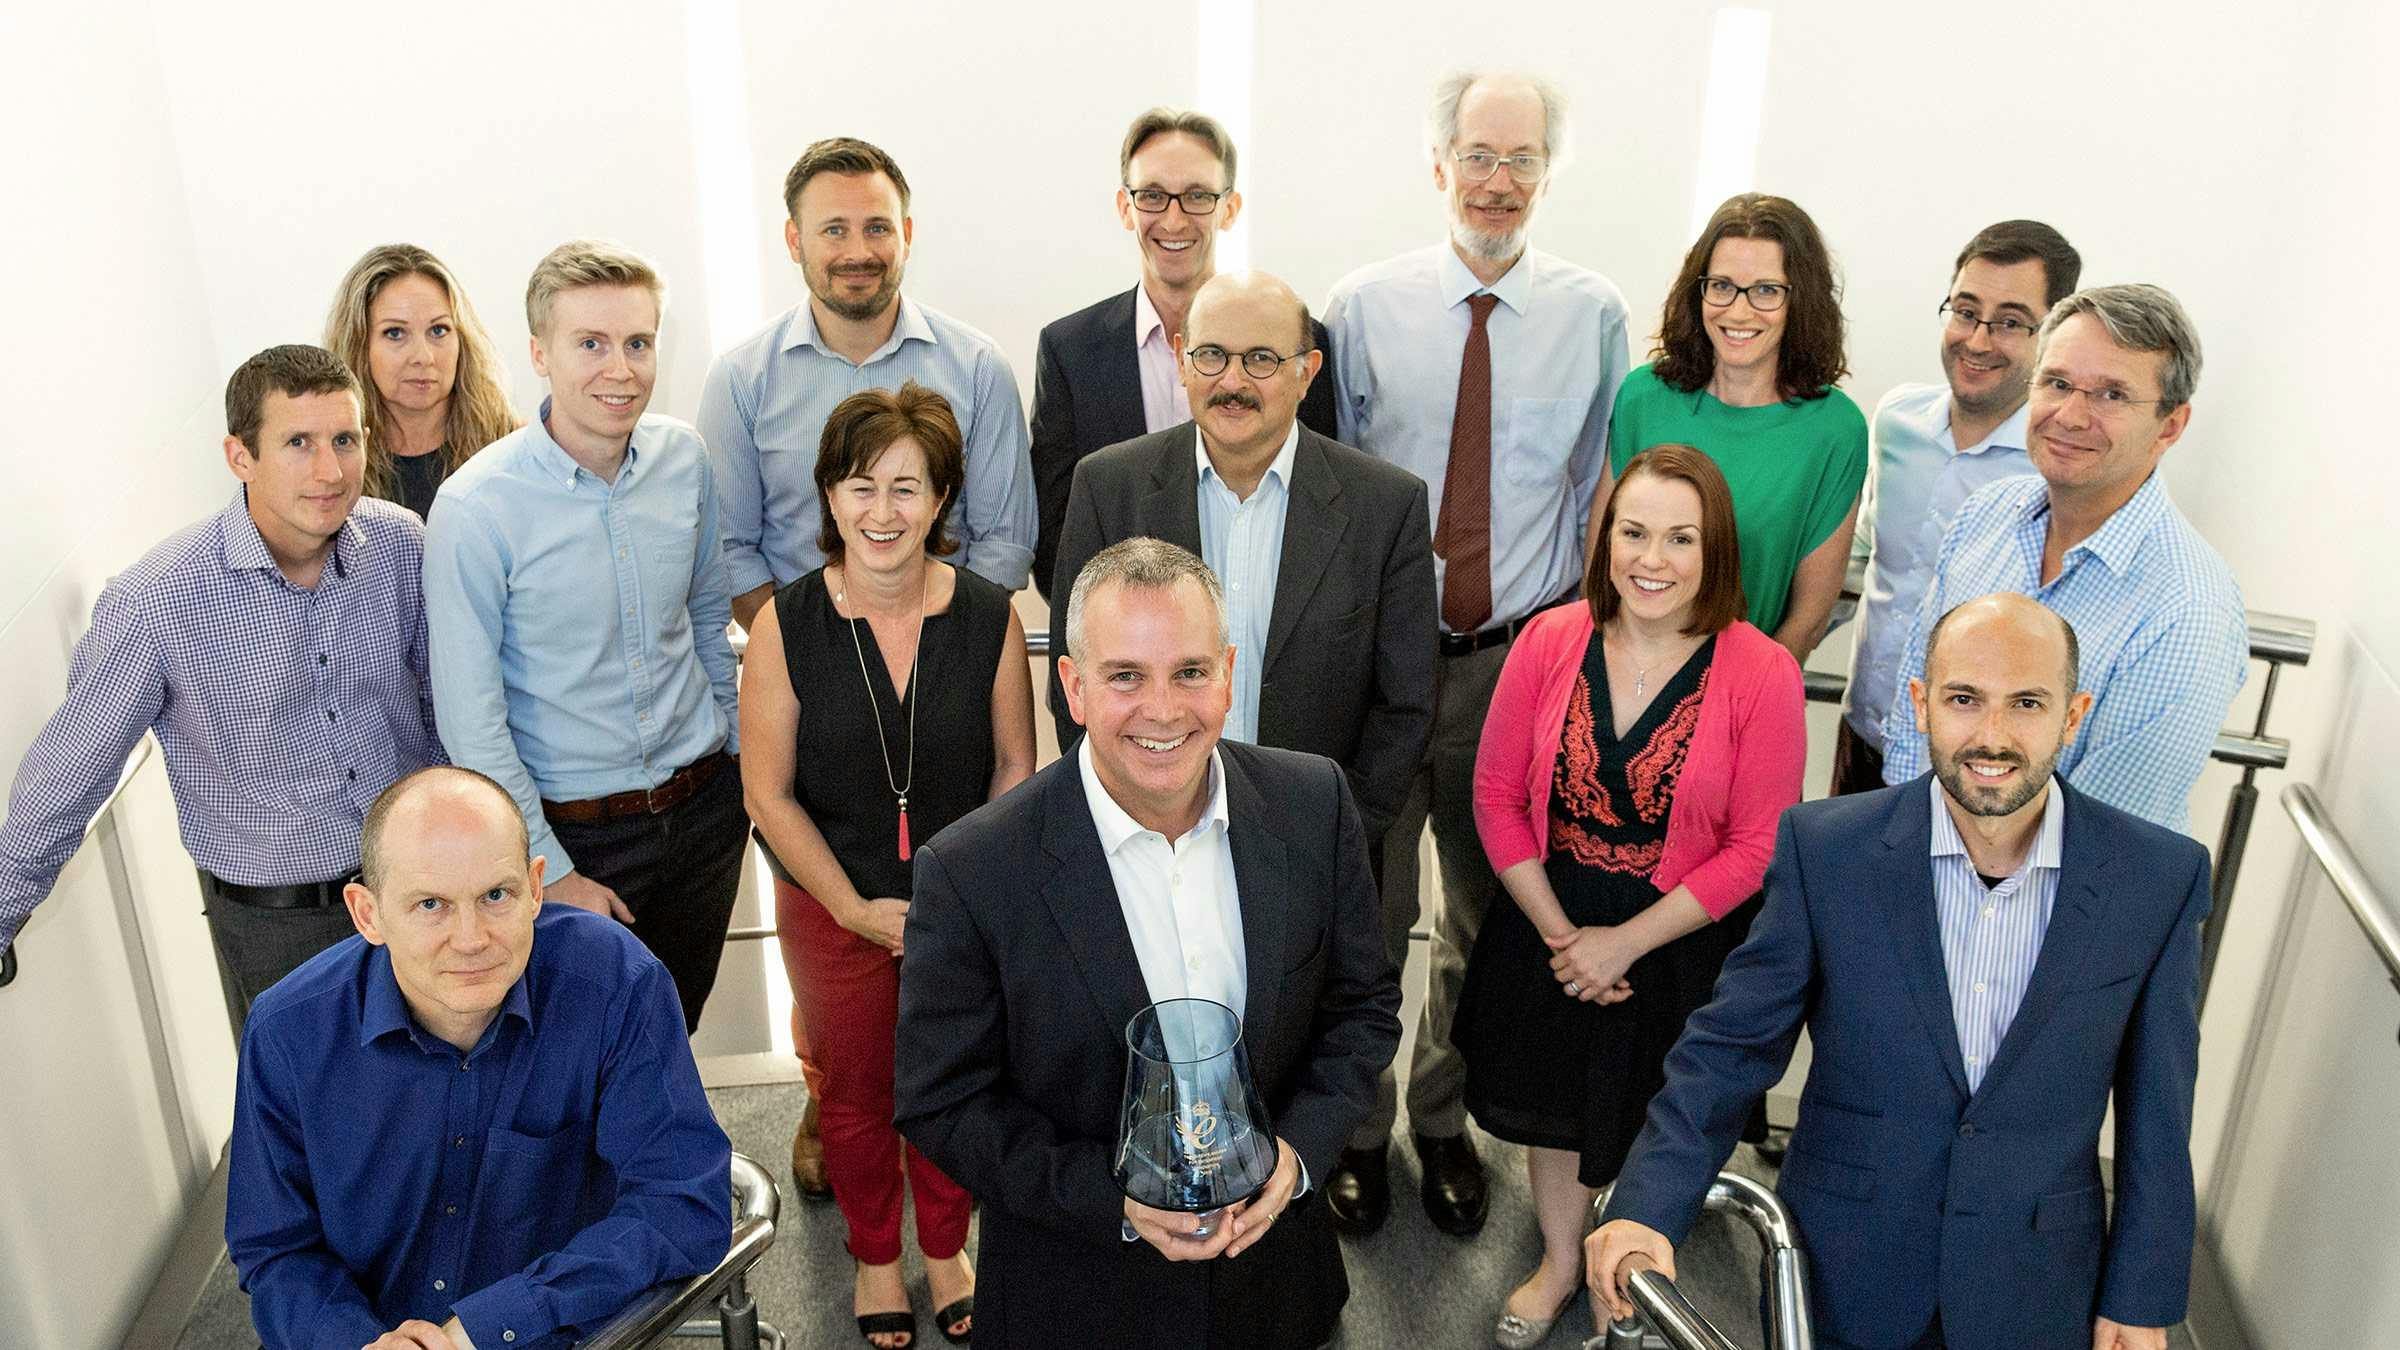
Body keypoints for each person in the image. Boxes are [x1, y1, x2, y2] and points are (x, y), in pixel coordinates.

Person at [1590, 593, 2207, 1350]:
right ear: (1919, 705)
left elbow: (2159, 1111)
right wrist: (1648, 1203)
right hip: (1846, 1269)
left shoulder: (2157, 878)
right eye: (1963, 699)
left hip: (2038, 1283)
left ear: (2073, 716)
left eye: (2027, 704)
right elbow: (1730, 1049)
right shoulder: (1827, 852)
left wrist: (2142, 1295)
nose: (1991, 735)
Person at [894, 539, 1401, 1350]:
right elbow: (942, 1102)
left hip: (1276, 1290)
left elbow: (1364, 1010)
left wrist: (1297, 1155)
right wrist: (1111, 1201)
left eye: (1191, 672)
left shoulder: (1314, 804)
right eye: (1126, 675)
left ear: (1229, 675)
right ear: (1074, 687)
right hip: (1075, 1298)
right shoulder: (972, 871)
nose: (1164, 710)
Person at [1320, 67, 1629, 1238]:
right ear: (1436, 163)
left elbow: (1599, 487)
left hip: (1523, 663)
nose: (1497, 183)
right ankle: (1356, 1127)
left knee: (1486, 914)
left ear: (1548, 172)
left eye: (1522, 161)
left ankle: (1442, 1122)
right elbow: (1336, 492)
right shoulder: (1361, 306)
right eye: (1478, 156)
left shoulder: (1595, 314)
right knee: (1366, 909)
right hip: (1384, 662)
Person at [1461, 445, 1804, 1346]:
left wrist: (1626, 944)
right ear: (1605, 538)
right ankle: (1563, 1259)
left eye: (1680, 538)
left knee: (1660, 1111)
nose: (1652, 559)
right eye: (1634, 531)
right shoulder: (1547, 639)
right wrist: (1564, 935)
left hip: (1682, 931)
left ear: (1715, 550)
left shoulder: (1763, 670)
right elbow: (1495, 797)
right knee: (1554, 1104)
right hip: (1550, 918)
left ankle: (1641, 1272)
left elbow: (1757, 844)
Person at [0, 344, 442, 1037]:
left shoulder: (400, 544)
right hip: (283, 930)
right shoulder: (159, 600)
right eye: (298, 443)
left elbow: (443, 708)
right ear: (241, 457)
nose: (330, 471)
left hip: (421, 890)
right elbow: (69, 775)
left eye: (344, 440)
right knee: (314, 1134)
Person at [226, 766, 731, 1350]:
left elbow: (683, 1203)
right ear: (368, 914)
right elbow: (276, 1249)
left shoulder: (616, 984)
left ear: (536, 888)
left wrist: (482, 1329)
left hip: (556, 1337)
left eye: (496, 896)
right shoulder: (288, 1031)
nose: (470, 939)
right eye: (431, 905)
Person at [740, 382, 1034, 1348]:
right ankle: (875, 1257)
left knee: (957, 1081)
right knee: (856, 1091)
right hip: (830, 908)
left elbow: (1014, 773)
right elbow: (767, 795)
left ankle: (946, 1246)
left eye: (907, 488)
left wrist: (961, 910)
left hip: (963, 915)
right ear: (829, 497)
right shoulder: (785, 626)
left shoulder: (990, 617)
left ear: (942, 500)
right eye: (861, 486)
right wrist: (855, 908)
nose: (883, 512)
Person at [425, 239, 745, 1031]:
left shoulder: (684, 460)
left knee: (677, 1024)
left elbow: (707, 622)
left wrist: (742, 764)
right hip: (575, 838)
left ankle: (668, 1159)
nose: (621, 368)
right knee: (583, 1051)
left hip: (703, 811)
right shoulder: (475, 509)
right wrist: (551, 872)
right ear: (540, 353)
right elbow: (473, 719)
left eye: (638, 343)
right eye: (591, 344)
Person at [1046, 270, 1434, 858]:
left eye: (1260, 359)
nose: (1232, 381)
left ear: (1307, 372)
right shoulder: (1107, 487)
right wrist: (1134, 823)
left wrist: (1334, 833)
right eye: (1211, 356)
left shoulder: (1386, 506)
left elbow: (1404, 706)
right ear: (1180, 359)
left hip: (1321, 849)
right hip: (1146, 844)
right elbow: (1073, 679)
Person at [1878, 284, 2246, 834]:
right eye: (2057, 383)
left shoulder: (2189, 610)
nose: (2071, 416)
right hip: (1918, 857)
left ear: (2170, 425)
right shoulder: (1986, 515)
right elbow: (1918, 708)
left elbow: (2102, 836)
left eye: (2112, 395)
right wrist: (1906, 851)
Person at [703, 135, 1038, 623]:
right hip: (803, 673)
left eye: (877, 228)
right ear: (795, 241)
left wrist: (941, 646)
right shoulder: (739, 379)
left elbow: (1003, 544)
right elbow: (730, 552)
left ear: (905, 233)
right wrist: (806, 652)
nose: (858, 252)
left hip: (944, 662)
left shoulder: (980, 368)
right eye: (834, 230)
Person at [1028, 107, 1339, 602]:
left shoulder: (1296, 344)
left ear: (1229, 208)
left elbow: (1323, 511)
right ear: (1125, 206)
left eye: (1197, 196)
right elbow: (1058, 546)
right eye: (1152, 195)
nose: (1174, 219)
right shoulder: (1070, 351)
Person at [1834, 221, 2080, 796]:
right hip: (1864, 736)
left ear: (2054, 334)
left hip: (1975, 772)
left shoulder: (2055, 468)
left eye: (2011, 322)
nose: (1977, 339)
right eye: (1966, 311)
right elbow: (1865, 558)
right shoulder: (1897, 422)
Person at [1607, 192, 1868, 666]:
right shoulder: (1642, 398)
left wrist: (1737, 705)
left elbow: (1807, 620)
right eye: (1722, 285)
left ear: (1801, 300)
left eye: (1767, 290)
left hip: (1746, 693)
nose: (1739, 311)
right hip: (1622, 678)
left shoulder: (1835, 429)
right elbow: (1602, 573)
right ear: (1698, 289)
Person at [323, 243, 522, 522]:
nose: (423, 357)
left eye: (438, 330)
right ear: (359, 345)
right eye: (395, 333)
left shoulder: (515, 446)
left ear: (462, 339)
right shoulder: (327, 462)